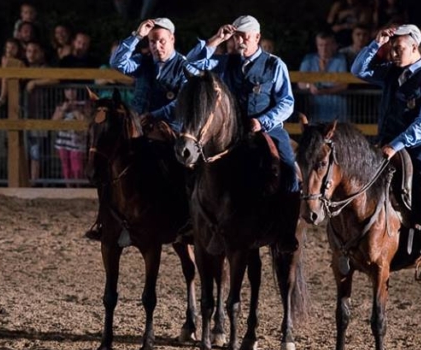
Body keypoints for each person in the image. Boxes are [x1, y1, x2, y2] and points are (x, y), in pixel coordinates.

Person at [351, 24, 421, 282]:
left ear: (415, 47)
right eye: (391, 48)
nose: (393, 53)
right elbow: (358, 70)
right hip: (387, 143)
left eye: (399, 48)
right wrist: (376, 43)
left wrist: (397, 144)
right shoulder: (390, 72)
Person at [84, 17, 191, 240]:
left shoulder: (184, 66)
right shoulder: (144, 62)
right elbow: (118, 63)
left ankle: (187, 218)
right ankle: (105, 219)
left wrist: (154, 115)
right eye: (152, 42)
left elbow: (182, 101)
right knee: (111, 162)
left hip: (169, 127)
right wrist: (136, 36)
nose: (156, 46)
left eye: (161, 41)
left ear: (172, 39)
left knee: (179, 165)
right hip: (137, 126)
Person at [187, 15, 299, 193]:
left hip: (267, 128)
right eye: (236, 36)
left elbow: (286, 102)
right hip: (231, 129)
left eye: (244, 36)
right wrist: (216, 39)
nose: (239, 41)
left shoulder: (274, 64)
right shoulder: (225, 61)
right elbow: (191, 65)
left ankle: (291, 208)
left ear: (257, 37)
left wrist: (262, 121)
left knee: (288, 166)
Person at [298, 31, 348, 122]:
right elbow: (300, 82)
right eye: (321, 45)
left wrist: (326, 90)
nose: (324, 48)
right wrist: (309, 86)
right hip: (314, 110)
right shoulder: (309, 59)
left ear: (333, 45)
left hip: (336, 109)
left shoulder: (340, 59)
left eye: (327, 45)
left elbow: (344, 84)